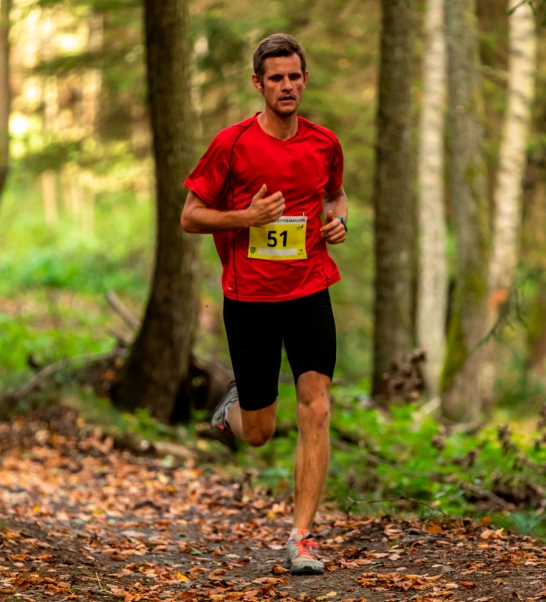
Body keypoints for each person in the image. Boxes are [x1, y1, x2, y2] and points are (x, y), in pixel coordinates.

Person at [181, 33, 348, 575]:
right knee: (259, 433)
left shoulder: (324, 142)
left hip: (310, 289)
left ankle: (301, 537)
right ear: (258, 84)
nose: (287, 86)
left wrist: (339, 219)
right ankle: (234, 409)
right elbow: (190, 214)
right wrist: (243, 219)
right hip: (250, 298)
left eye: (294, 76)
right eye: (276, 78)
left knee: (317, 407)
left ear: (304, 79)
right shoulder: (231, 144)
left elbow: (335, 195)